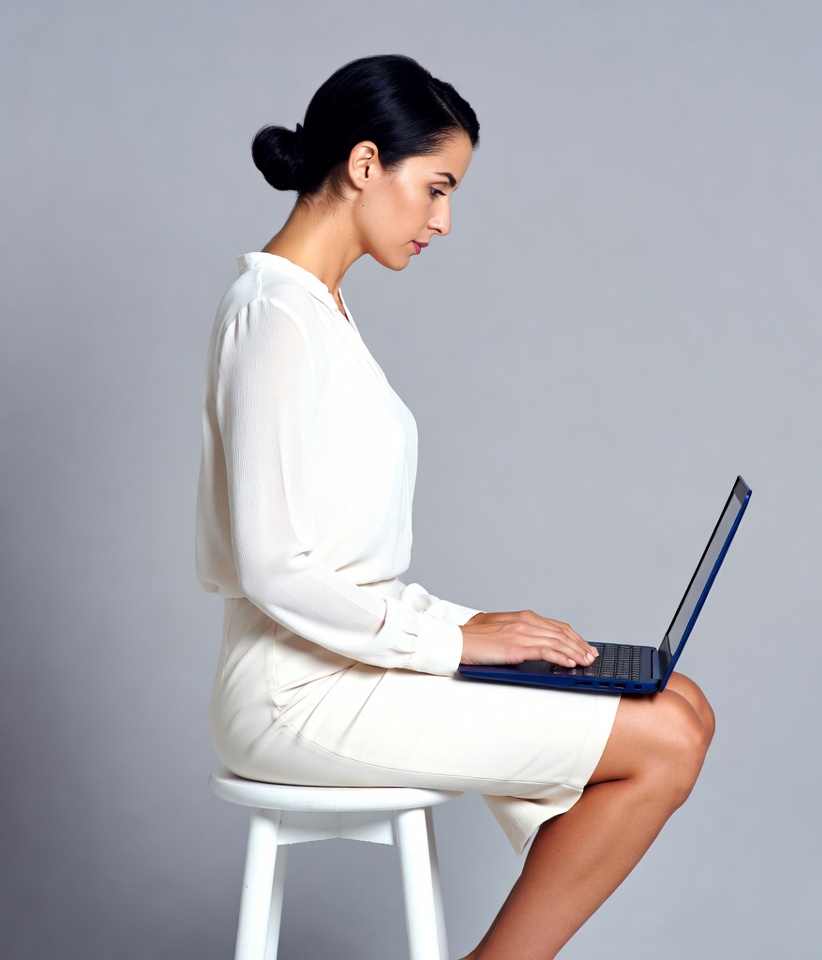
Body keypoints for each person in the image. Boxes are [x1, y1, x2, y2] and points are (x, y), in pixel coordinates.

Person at [196, 54, 715, 960]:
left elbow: (350, 565)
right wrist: (453, 646)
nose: (443, 220)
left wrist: (471, 625)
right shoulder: (275, 314)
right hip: (294, 695)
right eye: (436, 188)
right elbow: (275, 568)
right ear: (365, 164)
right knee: (666, 735)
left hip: (350, 666)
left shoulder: (321, 311)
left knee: (682, 704)